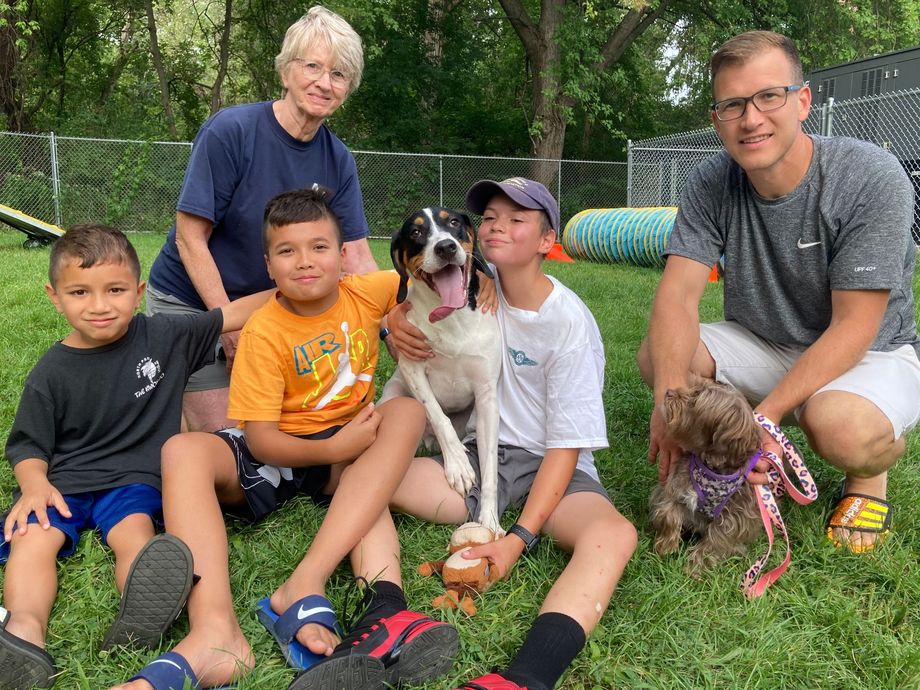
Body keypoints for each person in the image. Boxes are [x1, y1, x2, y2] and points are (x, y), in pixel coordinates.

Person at [112, 188, 457, 690]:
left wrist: (475, 287)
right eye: (287, 252)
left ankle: (334, 592)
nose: (305, 262)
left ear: (343, 258)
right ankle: (216, 630)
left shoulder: (371, 289)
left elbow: (431, 275)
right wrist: (333, 450)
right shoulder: (264, 333)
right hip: (280, 455)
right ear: (268, 266)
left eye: (319, 248)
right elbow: (261, 444)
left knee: (404, 413)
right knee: (182, 449)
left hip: (345, 456)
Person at [637, 30, 920, 553]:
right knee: (661, 359)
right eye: (732, 104)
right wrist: (668, 408)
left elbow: (855, 327)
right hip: (766, 340)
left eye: (770, 96)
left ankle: (867, 477)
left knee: (837, 427)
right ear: (716, 116)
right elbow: (677, 298)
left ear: (803, 100)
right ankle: (722, 462)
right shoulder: (711, 180)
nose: (751, 118)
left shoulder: (869, 176)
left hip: (869, 352)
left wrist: (759, 419)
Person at [389, 177, 638, 690]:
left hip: (552, 465)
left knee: (614, 535)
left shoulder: (569, 323)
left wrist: (519, 537)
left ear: (548, 241)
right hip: (484, 455)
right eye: (490, 218)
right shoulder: (468, 280)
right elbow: (393, 289)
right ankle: (385, 613)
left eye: (517, 219)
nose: (498, 225)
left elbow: (567, 445)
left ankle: (526, 678)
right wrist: (393, 322)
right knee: (375, 472)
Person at [0, 224, 270, 690]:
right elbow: (27, 445)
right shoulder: (51, 371)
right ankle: (24, 631)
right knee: (32, 538)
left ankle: (143, 611)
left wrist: (303, 283)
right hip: (64, 483)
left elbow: (235, 312)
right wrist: (35, 485)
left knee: (135, 536)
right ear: (54, 296)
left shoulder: (164, 335)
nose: (100, 305)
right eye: (80, 292)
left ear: (140, 291)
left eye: (116, 290)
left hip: (134, 479)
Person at [145, 6, 382, 433]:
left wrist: (394, 326)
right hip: (194, 306)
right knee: (232, 443)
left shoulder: (338, 159)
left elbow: (357, 257)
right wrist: (227, 326)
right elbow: (189, 239)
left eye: (339, 74)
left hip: (270, 312)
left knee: (289, 428)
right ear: (286, 71)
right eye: (312, 66)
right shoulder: (230, 131)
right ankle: (167, 396)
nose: (324, 83)